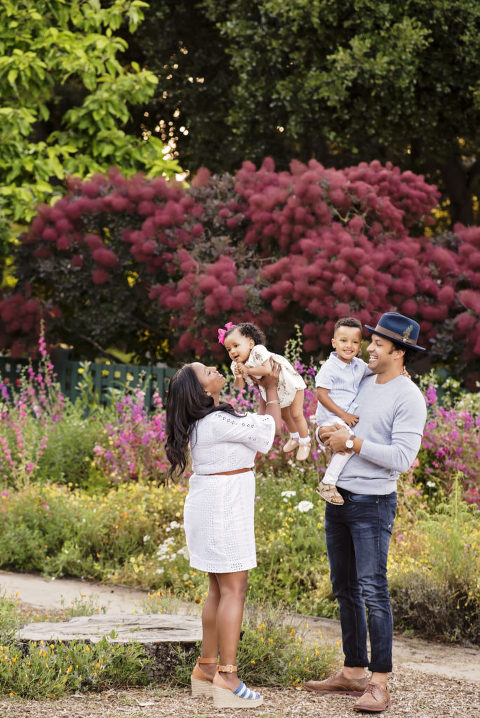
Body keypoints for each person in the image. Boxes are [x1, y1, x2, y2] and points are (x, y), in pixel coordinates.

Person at [305, 312, 427, 713]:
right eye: (369, 341)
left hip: (373, 503)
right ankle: (354, 669)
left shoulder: (408, 397)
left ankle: (379, 682)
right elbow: (337, 423)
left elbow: (403, 458)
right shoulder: (363, 381)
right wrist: (329, 435)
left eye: (376, 343)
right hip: (339, 496)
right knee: (344, 588)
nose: (367, 348)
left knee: (373, 589)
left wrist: (354, 443)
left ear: (398, 350)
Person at [165, 360, 282, 709]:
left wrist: (263, 389)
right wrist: (273, 388)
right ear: (202, 391)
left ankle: (206, 667)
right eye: (207, 371)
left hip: (210, 505)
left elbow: (260, 429)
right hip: (223, 508)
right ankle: (228, 678)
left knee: (218, 589)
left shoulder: (208, 422)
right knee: (234, 589)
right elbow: (271, 429)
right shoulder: (217, 421)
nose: (216, 368)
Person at [220, 321, 311, 460]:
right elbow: (239, 386)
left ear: (250, 344)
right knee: (285, 416)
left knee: (297, 414)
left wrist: (247, 370)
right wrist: (239, 376)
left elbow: (267, 370)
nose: (232, 351)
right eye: (228, 349)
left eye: (236, 346)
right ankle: (295, 437)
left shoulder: (258, 351)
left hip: (291, 384)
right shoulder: (235, 365)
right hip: (277, 391)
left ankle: (305, 442)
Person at [314, 317, 370, 505]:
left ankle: (330, 481)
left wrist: (400, 372)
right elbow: (321, 395)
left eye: (354, 342)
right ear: (334, 342)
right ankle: (327, 483)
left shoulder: (358, 365)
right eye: (344, 341)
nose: (349, 346)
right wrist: (343, 415)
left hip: (344, 418)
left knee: (347, 447)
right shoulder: (329, 368)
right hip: (332, 417)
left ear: (360, 345)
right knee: (349, 444)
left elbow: (376, 371)